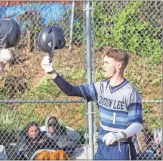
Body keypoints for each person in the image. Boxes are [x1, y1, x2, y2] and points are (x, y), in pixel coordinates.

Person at [39, 31, 143, 160]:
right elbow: (71, 90)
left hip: (121, 148)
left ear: (118, 65)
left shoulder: (130, 92)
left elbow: (137, 124)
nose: (103, 66)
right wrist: (52, 72)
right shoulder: (100, 87)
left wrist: (119, 135)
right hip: (102, 147)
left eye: (106, 63)